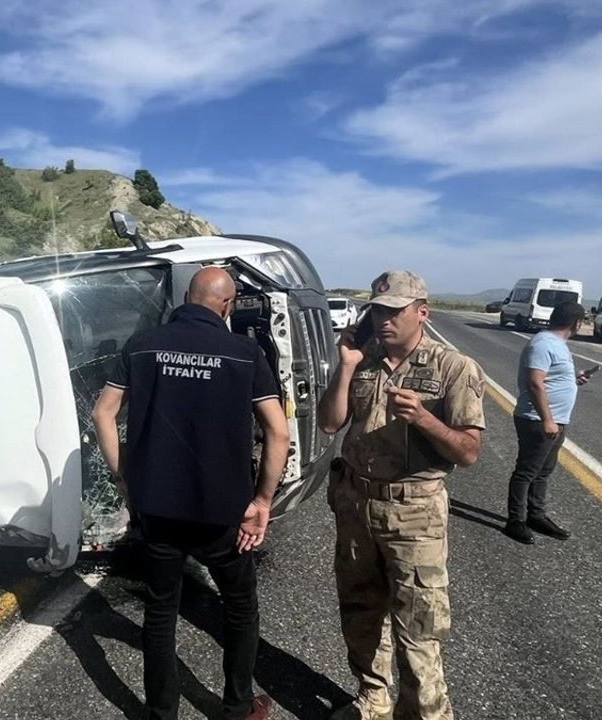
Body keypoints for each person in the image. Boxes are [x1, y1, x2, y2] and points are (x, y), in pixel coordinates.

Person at [92, 267, 289, 720]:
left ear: (186, 297)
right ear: (227, 304)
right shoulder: (244, 352)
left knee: (161, 610)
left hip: (157, 508)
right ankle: (238, 707)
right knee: (239, 606)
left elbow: (104, 413)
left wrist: (125, 476)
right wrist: (261, 502)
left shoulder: (143, 344)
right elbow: (277, 433)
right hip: (222, 514)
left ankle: (162, 713)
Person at [317, 271, 486, 720]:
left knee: (418, 627)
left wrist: (425, 421)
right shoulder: (364, 358)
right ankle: (373, 697)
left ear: (422, 313)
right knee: (360, 609)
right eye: (378, 310)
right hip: (356, 503)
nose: (384, 320)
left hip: (414, 512)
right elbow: (330, 423)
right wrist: (347, 364)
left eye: (395, 311)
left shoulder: (453, 367)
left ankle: (424, 714)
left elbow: (469, 451)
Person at [503, 302, 591, 544]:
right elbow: (535, 383)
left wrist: (574, 380)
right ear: (577, 323)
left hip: (556, 420)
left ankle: (536, 515)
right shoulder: (542, 344)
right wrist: (547, 419)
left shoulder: (556, 344)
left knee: (543, 472)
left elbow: (549, 378)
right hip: (537, 420)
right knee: (527, 472)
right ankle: (515, 521)